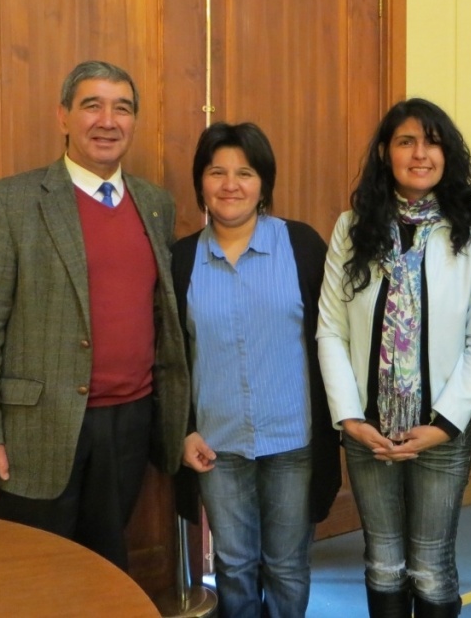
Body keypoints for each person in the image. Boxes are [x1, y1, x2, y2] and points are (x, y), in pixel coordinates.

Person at [0, 60, 189, 570]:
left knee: (105, 566)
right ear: (63, 116)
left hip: (130, 421)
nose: (108, 120)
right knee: (33, 571)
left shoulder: (155, 204)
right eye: (92, 106)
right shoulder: (12, 201)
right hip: (37, 427)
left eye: (121, 108)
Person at [317, 99, 471, 618]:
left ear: (447, 153)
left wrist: (445, 424)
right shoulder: (353, 227)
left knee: (431, 566)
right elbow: (330, 329)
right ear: (385, 153)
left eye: (432, 141)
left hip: (441, 431)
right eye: (406, 141)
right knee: (382, 563)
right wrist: (350, 418)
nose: (420, 153)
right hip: (367, 432)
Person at [170, 121, 341, 618]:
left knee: (287, 566)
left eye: (244, 172)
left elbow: (332, 340)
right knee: (233, 565)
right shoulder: (183, 259)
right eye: (216, 172)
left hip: (292, 441)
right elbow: (171, 357)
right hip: (216, 447)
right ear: (200, 181)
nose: (230, 184)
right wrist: (183, 431)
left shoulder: (302, 246)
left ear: (263, 182)